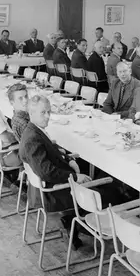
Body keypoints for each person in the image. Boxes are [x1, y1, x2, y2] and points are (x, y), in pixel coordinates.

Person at [19, 95, 92, 249]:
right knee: (107, 191)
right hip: (52, 193)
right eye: (43, 113)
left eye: (49, 112)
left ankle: (74, 222)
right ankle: (77, 224)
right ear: (31, 113)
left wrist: (69, 159)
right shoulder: (33, 139)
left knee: (88, 168)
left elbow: (54, 151)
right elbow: (47, 172)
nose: (48, 116)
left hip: (52, 182)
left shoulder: (35, 131)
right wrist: (75, 177)